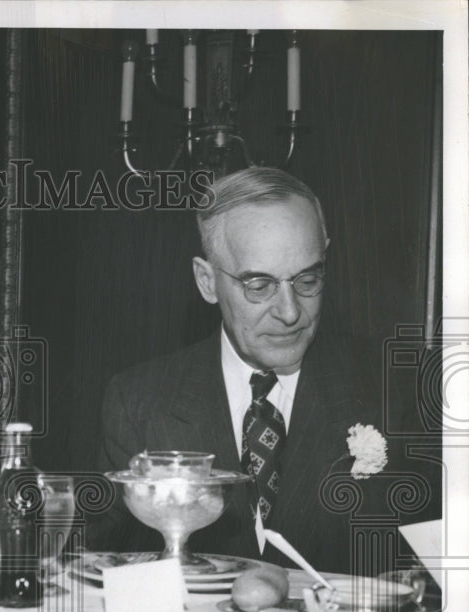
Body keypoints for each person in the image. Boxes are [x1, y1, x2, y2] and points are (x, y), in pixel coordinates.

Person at [93, 167, 434, 576]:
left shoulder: (396, 387)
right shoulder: (139, 402)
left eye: (308, 279)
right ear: (206, 281)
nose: (290, 312)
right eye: (259, 285)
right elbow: (99, 572)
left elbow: (435, 580)